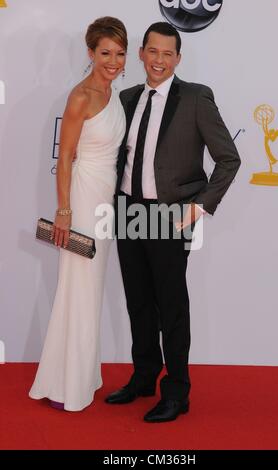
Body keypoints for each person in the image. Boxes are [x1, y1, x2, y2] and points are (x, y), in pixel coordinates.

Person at [105, 22, 241, 422]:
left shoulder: (197, 99)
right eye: (153, 52)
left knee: (171, 305)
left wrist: (197, 208)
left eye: (168, 54)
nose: (159, 60)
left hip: (171, 216)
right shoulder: (126, 97)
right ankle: (144, 376)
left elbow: (229, 159)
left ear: (177, 59)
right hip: (129, 211)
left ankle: (177, 391)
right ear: (142, 54)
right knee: (138, 302)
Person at [29, 17, 127, 411]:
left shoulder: (114, 93)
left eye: (120, 54)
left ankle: (81, 375)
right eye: (105, 53)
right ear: (90, 53)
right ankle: (65, 383)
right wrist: (64, 210)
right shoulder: (81, 96)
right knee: (78, 287)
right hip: (84, 199)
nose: (114, 61)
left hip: (105, 199)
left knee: (90, 288)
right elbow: (65, 157)